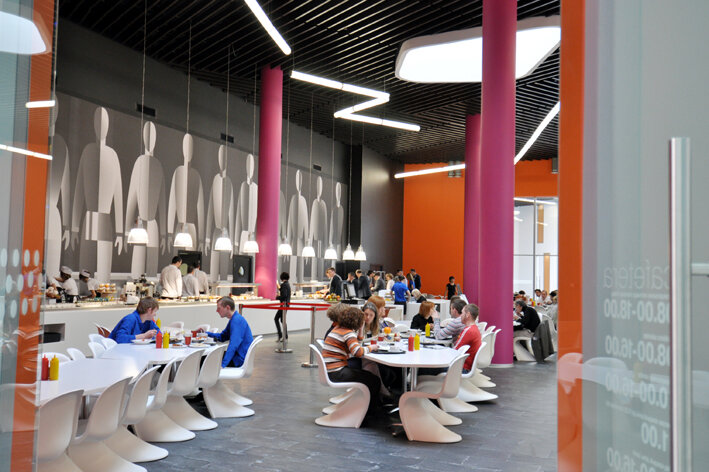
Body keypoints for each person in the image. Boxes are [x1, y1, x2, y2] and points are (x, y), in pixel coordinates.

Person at [322, 306, 381, 414]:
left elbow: (355, 345)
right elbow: (358, 352)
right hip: (337, 372)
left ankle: (365, 407)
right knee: (374, 380)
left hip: (331, 370)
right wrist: (372, 347)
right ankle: (370, 411)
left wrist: (360, 331)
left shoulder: (338, 329)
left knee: (368, 377)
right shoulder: (348, 333)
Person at [207, 297, 254, 368]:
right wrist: (206, 334)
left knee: (204, 360)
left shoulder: (236, 321)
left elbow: (233, 345)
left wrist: (223, 365)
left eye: (219, 308)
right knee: (208, 357)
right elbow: (222, 337)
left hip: (238, 359)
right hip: (238, 355)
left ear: (227, 308)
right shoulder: (234, 319)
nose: (217, 311)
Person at [453, 303, 482, 373]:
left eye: (462, 313)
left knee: (428, 369)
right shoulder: (474, 329)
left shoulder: (468, 331)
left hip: (461, 368)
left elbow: (454, 351)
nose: (460, 316)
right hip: (466, 367)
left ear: (467, 314)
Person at [275, 272, 291, 343]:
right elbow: (283, 292)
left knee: (276, 319)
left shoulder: (284, 285)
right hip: (286, 304)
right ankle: (285, 335)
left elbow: (284, 295)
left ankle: (281, 335)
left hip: (283, 305)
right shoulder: (287, 284)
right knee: (282, 320)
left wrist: (277, 297)